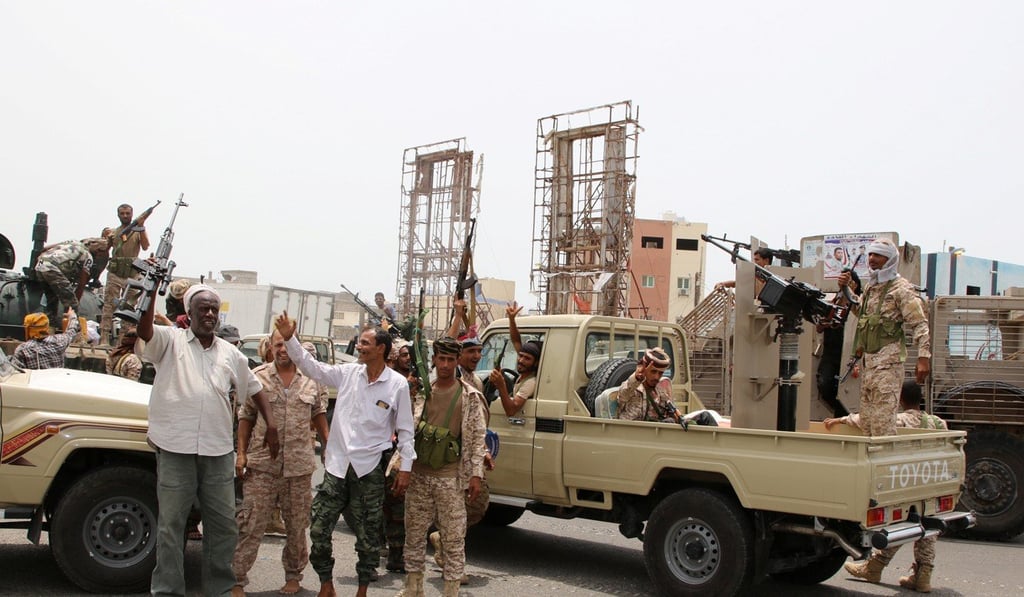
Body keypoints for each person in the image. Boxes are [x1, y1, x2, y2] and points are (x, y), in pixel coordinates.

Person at [138, 283, 279, 597]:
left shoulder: (229, 352)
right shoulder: (169, 341)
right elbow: (145, 330)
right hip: (174, 447)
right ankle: (168, 590)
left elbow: (255, 388)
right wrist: (150, 290)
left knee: (223, 526)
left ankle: (220, 588)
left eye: (214, 309)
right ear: (189, 313)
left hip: (216, 452)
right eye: (203, 308)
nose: (210, 314)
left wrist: (271, 425)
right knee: (171, 525)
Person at [274, 312, 414, 597]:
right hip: (337, 468)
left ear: (381, 349)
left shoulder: (397, 385)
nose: (359, 346)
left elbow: (406, 431)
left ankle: (362, 589)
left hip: (369, 470)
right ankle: (327, 584)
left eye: (364, 343)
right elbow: (311, 367)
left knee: (368, 537)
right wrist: (289, 338)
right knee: (319, 530)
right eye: (359, 342)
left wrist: (406, 468)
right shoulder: (348, 374)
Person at [231, 329, 330, 597]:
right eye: (278, 345)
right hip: (262, 464)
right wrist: (241, 453)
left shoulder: (311, 378)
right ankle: (237, 579)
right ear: (271, 347)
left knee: (297, 526)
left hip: (298, 467)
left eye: (287, 345)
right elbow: (246, 417)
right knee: (251, 523)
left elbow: (319, 411)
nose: (283, 350)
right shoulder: (258, 376)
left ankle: (293, 575)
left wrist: (328, 444)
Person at [827, 381, 945, 592]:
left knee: (901, 524)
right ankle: (923, 575)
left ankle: (875, 567)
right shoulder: (937, 422)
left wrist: (840, 419)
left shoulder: (898, 420)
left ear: (900, 399)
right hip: (932, 479)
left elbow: (867, 420)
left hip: (905, 479)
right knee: (927, 527)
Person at [398, 337, 487, 597]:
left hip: (450, 478)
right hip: (419, 476)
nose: (446, 365)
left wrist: (476, 475)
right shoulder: (423, 392)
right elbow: (406, 431)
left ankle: (451, 591)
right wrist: (400, 466)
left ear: (457, 361)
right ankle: (413, 588)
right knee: (413, 535)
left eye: (451, 359)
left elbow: (476, 437)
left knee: (454, 538)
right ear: (434, 360)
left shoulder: (470, 396)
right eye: (441, 359)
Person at [837, 238, 930, 437]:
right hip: (869, 365)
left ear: (889, 259)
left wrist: (924, 357)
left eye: (878, 255)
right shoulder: (872, 288)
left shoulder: (901, 289)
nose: (872, 259)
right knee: (868, 425)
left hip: (888, 367)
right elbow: (860, 312)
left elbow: (920, 324)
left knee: (883, 427)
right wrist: (847, 290)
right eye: (870, 254)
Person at [100, 204, 151, 344]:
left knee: (128, 308)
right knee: (109, 305)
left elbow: (146, 246)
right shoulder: (114, 233)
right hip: (115, 273)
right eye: (122, 213)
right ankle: (104, 337)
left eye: (128, 213)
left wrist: (141, 227)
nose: (125, 216)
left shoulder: (137, 232)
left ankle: (122, 340)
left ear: (132, 214)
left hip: (132, 275)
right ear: (118, 215)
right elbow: (104, 248)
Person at [815, 269, 861, 417]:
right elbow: (819, 327)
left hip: (850, 354)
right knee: (825, 385)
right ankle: (841, 414)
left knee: (850, 391)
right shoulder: (834, 301)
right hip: (831, 353)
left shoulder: (859, 303)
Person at [34, 238, 108, 322]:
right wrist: (75, 302)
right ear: (98, 250)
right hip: (53, 269)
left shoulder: (72, 241)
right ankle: (70, 329)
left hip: (40, 266)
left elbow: (44, 248)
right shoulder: (88, 257)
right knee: (71, 306)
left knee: (51, 301)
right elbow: (82, 284)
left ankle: (50, 325)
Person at [488, 301, 541, 417]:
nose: (521, 360)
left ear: (536, 362)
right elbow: (516, 340)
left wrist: (501, 385)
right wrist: (512, 320)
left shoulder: (530, 383)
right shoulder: (523, 374)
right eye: (520, 356)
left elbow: (511, 411)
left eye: (527, 358)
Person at [616, 347, 675, 422]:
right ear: (644, 369)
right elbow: (623, 396)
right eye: (653, 372)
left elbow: (668, 409)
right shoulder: (632, 388)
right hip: (630, 431)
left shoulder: (660, 389)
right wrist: (637, 378)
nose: (657, 377)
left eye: (660, 373)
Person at [11, 309, 79, 370]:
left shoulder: (23, 349)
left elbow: (16, 371)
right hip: (55, 382)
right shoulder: (60, 340)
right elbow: (71, 331)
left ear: (28, 329)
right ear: (47, 326)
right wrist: (72, 316)